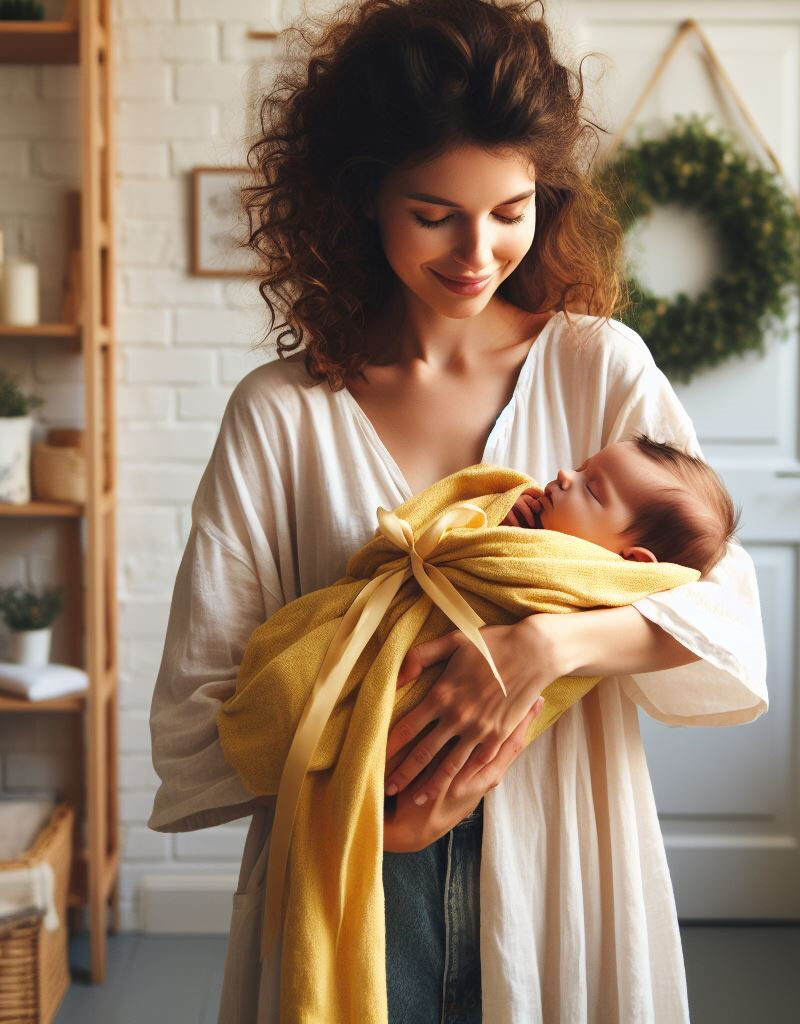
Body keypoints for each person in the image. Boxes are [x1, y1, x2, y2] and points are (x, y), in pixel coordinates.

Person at [145, 1, 768, 1022]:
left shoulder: (598, 367)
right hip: (350, 875)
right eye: (435, 213)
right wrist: (386, 781)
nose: (478, 252)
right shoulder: (280, 416)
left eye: (511, 211)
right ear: (361, 199)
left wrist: (541, 653)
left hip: (562, 855)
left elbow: (723, 609)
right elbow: (202, 705)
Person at [499, 433, 739, 576]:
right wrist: (496, 513)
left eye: (592, 490)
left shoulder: (594, 603)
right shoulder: (527, 513)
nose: (565, 474)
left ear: (634, 561)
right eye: (581, 468)